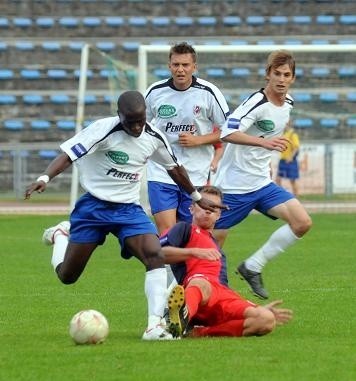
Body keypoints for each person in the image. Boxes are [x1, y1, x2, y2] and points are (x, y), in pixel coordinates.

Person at [24, 90, 226, 341]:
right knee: (68, 275)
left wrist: (197, 197)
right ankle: (60, 235)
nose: (138, 127)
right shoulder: (103, 129)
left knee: (155, 254)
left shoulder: (153, 135)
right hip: (93, 208)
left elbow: (174, 168)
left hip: (128, 209)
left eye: (141, 120)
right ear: (119, 116)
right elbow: (68, 155)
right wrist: (44, 178)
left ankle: (154, 326)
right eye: (132, 122)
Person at [213, 50, 312, 300]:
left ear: (293, 78)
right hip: (234, 187)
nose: (281, 79)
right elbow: (226, 132)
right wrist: (263, 144)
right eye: (276, 73)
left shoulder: (288, 103)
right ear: (268, 74)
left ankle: (252, 266)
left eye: (286, 75)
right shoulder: (256, 103)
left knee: (302, 222)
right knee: (210, 246)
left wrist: (264, 158)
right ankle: (202, 294)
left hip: (261, 184)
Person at [160, 185, 293, 338]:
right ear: (191, 208)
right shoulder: (183, 229)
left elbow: (223, 288)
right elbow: (156, 253)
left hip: (221, 296)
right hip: (196, 292)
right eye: (204, 204)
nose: (208, 210)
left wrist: (257, 309)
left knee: (266, 320)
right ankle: (181, 316)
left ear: (219, 215)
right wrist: (193, 252)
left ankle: (198, 333)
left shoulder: (219, 252)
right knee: (201, 282)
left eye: (214, 207)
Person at [144, 41, 230, 235]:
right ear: (169, 66)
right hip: (162, 171)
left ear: (194, 67)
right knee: (167, 231)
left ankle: (187, 265)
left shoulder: (209, 93)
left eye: (185, 65)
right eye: (176, 65)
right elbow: (142, 127)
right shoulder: (155, 92)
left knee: (190, 232)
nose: (180, 70)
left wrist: (198, 140)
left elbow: (229, 131)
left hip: (195, 173)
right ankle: (164, 267)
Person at [275, 119, 300, 197]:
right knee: (278, 178)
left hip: (290, 160)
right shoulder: (284, 134)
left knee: (292, 180)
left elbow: (296, 148)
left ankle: (296, 196)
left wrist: (291, 157)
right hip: (283, 159)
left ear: (287, 124)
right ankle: (280, 196)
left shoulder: (293, 134)